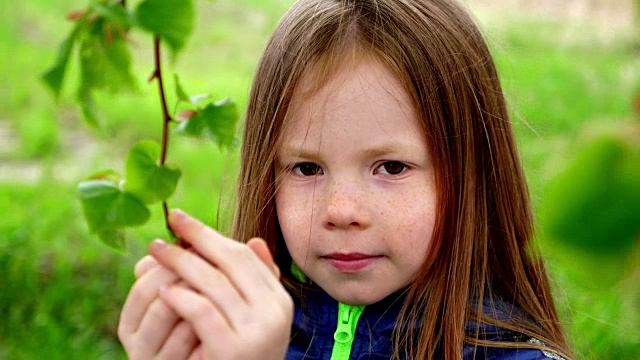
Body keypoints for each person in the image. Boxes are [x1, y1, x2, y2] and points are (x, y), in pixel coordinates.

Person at [118, 0, 575, 358]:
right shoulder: (242, 341)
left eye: (391, 168)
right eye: (307, 168)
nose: (342, 213)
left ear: (472, 171)